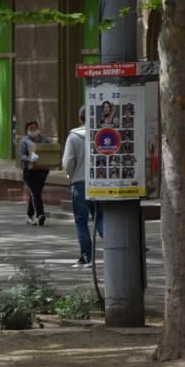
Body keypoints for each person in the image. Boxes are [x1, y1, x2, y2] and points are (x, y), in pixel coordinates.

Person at [62, 106, 104, 269]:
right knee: (99, 217)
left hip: (79, 183)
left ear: (81, 117)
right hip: (99, 184)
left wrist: (70, 175)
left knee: (81, 221)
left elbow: (67, 163)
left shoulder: (73, 137)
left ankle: (87, 257)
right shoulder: (101, 134)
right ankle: (112, 251)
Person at [18, 119, 50, 226]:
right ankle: (40, 214)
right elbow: (22, 156)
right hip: (29, 172)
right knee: (35, 192)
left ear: (37, 128)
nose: (33, 130)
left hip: (41, 171)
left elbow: (50, 152)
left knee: (36, 194)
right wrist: (29, 159)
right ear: (27, 130)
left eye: (34, 128)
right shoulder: (24, 141)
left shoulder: (44, 140)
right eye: (30, 128)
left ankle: (29, 215)